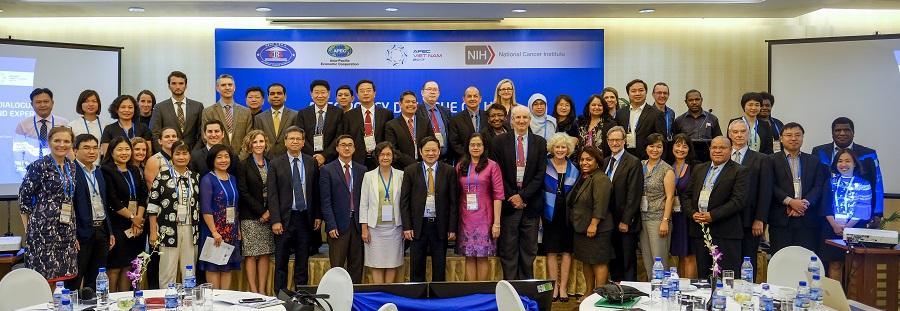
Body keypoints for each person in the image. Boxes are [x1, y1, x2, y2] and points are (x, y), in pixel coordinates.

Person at [490, 105, 547, 280]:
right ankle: (511, 288)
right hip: (508, 205)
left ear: (530, 120)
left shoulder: (540, 142)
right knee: (508, 249)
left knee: (529, 250)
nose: (521, 121)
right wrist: (512, 196)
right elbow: (497, 173)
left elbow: (540, 173)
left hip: (530, 204)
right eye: (517, 118)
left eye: (525, 118)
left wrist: (523, 196)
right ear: (511, 120)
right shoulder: (499, 142)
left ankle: (526, 288)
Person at [18, 126, 77, 280]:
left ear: (71, 144)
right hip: (42, 231)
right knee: (44, 278)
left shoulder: (71, 166)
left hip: (66, 229)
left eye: (66, 141)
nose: (62, 144)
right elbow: (23, 199)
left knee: (62, 279)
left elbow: (69, 197)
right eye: (57, 140)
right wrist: (28, 231)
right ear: (49, 142)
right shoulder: (39, 166)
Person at [683, 136, 747, 279]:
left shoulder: (740, 171)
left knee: (726, 279)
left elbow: (738, 201)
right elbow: (686, 196)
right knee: (704, 277)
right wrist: (692, 213)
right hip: (700, 232)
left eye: (722, 148)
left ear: (730, 150)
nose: (717, 151)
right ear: (710, 149)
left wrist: (713, 215)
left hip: (725, 233)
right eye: (714, 147)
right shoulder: (699, 168)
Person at [269, 127, 322, 290]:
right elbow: (272, 194)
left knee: (302, 261)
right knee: (281, 261)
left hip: (305, 218)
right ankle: (280, 295)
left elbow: (316, 190)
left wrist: (318, 216)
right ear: (285, 142)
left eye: (298, 139)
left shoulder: (310, 161)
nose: (295, 141)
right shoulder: (275, 163)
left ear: (303, 142)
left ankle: (302, 297)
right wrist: (276, 220)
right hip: (285, 219)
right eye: (291, 138)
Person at [400, 136, 459, 282]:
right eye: (427, 150)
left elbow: (453, 202)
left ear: (439, 152)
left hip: (440, 226)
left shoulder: (449, 171)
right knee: (416, 267)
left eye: (434, 150)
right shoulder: (410, 171)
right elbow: (404, 201)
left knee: (439, 267)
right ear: (420, 152)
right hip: (417, 226)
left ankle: (438, 300)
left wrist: (452, 228)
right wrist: (407, 226)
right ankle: (417, 300)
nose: (430, 153)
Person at [147, 140, 200, 289]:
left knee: (189, 269)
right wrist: (153, 232)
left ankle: (188, 302)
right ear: (171, 155)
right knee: (167, 269)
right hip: (168, 229)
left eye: (184, 153)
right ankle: (167, 300)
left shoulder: (196, 177)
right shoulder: (162, 177)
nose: (181, 157)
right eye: (177, 153)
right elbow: (152, 206)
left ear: (190, 156)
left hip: (191, 228)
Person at [769, 122, 828, 254]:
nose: (793, 138)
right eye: (789, 135)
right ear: (781, 138)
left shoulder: (814, 160)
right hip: (781, 219)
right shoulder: (770, 160)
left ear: (802, 137)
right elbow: (770, 186)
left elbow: (818, 186)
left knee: (806, 260)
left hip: (807, 219)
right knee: (781, 260)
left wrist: (804, 204)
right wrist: (790, 202)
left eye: (797, 135)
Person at [812, 117, 883, 221]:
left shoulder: (868, 154)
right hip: (825, 214)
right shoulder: (819, 151)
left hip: (857, 216)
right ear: (832, 133)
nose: (842, 133)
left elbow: (877, 183)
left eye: (846, 130)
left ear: (853, 133)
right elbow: (814, 182)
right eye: (837, 130)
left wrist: (877, 213)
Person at [101, 136, 148, 291]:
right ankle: (111, 301)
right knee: (115, 267)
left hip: (135, 224)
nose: (124, 153)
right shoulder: (106, 170)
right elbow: (113, 200)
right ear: (112, 151)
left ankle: (125, 301)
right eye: (120, 149)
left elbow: (142, 195)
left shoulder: (134, 169)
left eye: (127, 149)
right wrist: (134, 218)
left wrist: (138, 219)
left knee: (129, 265)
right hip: (117, 224)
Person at [67, 134, 114, 290]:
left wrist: (110, 231)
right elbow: (69, 205)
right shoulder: (70, 172)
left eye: (95, 147)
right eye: (86, 148)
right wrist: (72, 235)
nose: (91, 151)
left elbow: (104, 202)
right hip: (81, 233)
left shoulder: (98, 171)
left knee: (96, 279)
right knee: (75, 278)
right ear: (74, 150)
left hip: (101, 230)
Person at [455, 134, 504, 281]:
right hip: (465, 217)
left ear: (484, 147)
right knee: (469, 256)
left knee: (483, 256)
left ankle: (481, 291)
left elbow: (498, 195)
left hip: (485, 218)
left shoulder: (492, 166)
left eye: (479, 145)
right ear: (468, 147)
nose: (475, 148)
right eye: (472, 145)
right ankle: (471, 291)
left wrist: (497, 223)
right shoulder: (460, 166)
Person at [726, 119, 773, 274]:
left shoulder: (761, 159)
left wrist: (760, 219)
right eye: (735, 132)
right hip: (725, 220)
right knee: (727, 263)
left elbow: (765, 191)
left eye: (743, 131)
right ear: (729, 134)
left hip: (750, 220)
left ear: (749, 134)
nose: (739, 135)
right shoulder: (722, 157)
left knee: (747, 263)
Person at [320, 134, 366, 283]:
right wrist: (331, 224)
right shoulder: (327, 170)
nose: (347, 148)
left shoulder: (362, 170)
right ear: (337, 148)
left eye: (350, 145)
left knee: (356, 266)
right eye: (343, 145)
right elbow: (325, 201)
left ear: (354, 148)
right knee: (337, 268)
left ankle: (355, 300)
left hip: (358, 225)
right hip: (338, 226)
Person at [569, 146, 614, 297]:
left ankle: (599, 294)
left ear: (597, 161)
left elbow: (600, 204)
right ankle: (589, 291)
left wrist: (594, 224)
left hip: (597, 229)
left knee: (599, 262)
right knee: (586, 261)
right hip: (582, 228)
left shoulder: (601, 178)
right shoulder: (583, 177)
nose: (584, 163)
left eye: (589, 159)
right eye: (582, 159)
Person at [822, 149, 872, 280]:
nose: (843, 164)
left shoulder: (864, 184)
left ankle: (851, 299)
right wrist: (835, 225)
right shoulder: (830, 182)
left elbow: (863, 209)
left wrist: (847, 228)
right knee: (835, 264)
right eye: (840, 161)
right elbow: (825, 205)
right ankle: (835, 299)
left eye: (847, 161)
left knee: (853, 266)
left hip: (854, 229)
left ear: (855, 163)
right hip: (832, 229)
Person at [359, 142, 404, 284]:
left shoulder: (401, 175)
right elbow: (363, 203)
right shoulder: (368, 176)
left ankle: (388, 291)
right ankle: (379, 293)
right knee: (376, 263)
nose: (385, 157)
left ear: (393, 156)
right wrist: (364, 228)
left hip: (395, 227)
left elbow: (405, 204)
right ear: (377, 157)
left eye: (388, 154)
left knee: (392, 262)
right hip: (374, 228)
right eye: (382, 154)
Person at [236, 130, 275, 294]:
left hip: (269, 216)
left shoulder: (271, 163)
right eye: (255, 142)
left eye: (261, 141)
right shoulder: (243, 164)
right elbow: (243, 192)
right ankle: (253, 291)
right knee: (251, 254)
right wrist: (262, 212)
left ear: (265, 143)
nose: (259, 145)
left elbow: (276, 190)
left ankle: (262, 291)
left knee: (265, 254)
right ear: (249, 145)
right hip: (250, 216)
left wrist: (270, 211)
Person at [198, 144, 242, 289]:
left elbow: (235, 206)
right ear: (212, 160)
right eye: (219, 157)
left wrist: (238, 228)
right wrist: (214, 231)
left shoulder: (233, 178)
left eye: (226, 156)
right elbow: (206, 209)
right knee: (213, 267)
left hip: (231, 230)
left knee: (227, 267)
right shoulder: (207, 179)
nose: (224, 160)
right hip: (214, 232)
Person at [541, 133, 579, 301]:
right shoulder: (544, 166)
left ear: (568, 149)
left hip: (568, 216)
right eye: (557, 147)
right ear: (552, 148)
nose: (560, 150)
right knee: (551, 251)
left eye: (563, 147)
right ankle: (554, 287)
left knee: (566, 251)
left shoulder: (575, 168)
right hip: (549, 214)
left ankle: (563, 287)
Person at [603, 126, 643, 282]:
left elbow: (634, 194)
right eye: (611, 140)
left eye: (618, 140)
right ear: (607, 142)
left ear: (624, 142)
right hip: (608, 221)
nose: (614, 143)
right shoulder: (605, 161)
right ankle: (616, 291)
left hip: (625, 221)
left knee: (627, 260)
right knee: (614, 259)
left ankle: (629, 294)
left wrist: (626, 220)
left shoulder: (633, 162)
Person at [638, 133, 675, 276]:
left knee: (659, 260)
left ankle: (663, 292)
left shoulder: (667, 169)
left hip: (658, 219)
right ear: (646, 148)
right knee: (647, 259)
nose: (655, 150)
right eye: (651, 146)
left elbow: (670, 197)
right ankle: (651, 289)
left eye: (659, 146)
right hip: (642, 218)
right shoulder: (640, 165)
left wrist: (665, 221)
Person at [341, 80, 394, 170]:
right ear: (357, 95)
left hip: (380, 159)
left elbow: (389, 139)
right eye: (362, 91)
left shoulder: (386, 114)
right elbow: (346, 137)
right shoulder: (349, 116)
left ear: (374, 93)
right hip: (357, 160)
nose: (365, 93)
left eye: (368, 90)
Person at [150, 71, 204, 150]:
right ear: (169, 86)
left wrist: (195, 153)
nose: (178, 86)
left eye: (181, 83)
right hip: (168, 153)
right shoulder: (159, 107)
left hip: (192, 153)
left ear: (186, 86)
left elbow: (202, 133)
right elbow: (155, 134)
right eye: (174, 83)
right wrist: (164, 154)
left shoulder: (198, 106)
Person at [669, 134, 697, 279]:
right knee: (679, 254)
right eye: (678, 145)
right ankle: (679, 287)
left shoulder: (694, 167)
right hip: (672, 215)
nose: (680, 149)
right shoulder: (668, 165)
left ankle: (689, 289)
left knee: (689, 255)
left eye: (685, 146)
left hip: (688, 217)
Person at [203, 74, 252, 157]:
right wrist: (219, 157)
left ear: (234, 87)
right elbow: (206, 138)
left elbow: (249, 138)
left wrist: (241, 159)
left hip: (242, 161)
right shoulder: (208, 112)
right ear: (217, 88)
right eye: (223, 85)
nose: (227, 87)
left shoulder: (246, 112)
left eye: (230, 85)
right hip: (217, 160)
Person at [615, 79, 665, 160]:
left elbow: (662, 141)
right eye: (633, 91)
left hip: (647, 159)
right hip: (624, 158)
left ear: (646, 92)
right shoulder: (620, 113)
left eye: (641, 90)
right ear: (628, 93)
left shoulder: (656, 114)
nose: (637, 93)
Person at [298, 80, 344, 166]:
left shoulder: (338, 113)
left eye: (323, 92)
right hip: (308, 159)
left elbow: (338, 137)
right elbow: (301, 136)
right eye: (316, 93)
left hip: (331, 160)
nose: (320, 96)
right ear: (311, 94)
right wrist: (314, 157)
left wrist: (324, 156)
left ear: (329, 94)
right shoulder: (303, 113)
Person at [15, 88, 70, 159]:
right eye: (38, 102)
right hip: (32, 167)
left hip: (58, 166)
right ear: (32, 104)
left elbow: (69, 148)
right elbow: (18, 151)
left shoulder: (64, 123)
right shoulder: (23, 124)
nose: (42, 105)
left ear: (52, 103)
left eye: (46, 101)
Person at [385, 91, 434, 169]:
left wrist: (423, 162)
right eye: (407, 102)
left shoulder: (425, 122)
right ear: (400, 104)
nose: (411, 104)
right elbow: (393, 149)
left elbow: (431, 142)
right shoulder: (392, 125)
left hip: (424, 166)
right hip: (402, 167)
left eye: (413, 102)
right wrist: (413, 163)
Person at [673, 89, 722, 163]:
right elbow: (675, 143)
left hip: (708, 160)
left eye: (697, 99)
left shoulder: (712, 118)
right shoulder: (679, 120)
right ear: (686, 102)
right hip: (686, 160)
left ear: (701, 100)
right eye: (691, 100)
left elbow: (719, 140)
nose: (694, 102)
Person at [253, 83, 299, 158]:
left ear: (285, 97)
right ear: (268, 97)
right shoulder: (259, 118)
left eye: (279, 93)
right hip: (266, 160)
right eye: (272, 94)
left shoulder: (295, 115)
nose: (276, 96)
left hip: (289, 159)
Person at [449, 86, 488, 160]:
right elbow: (454, 143)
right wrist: (471, 156)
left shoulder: (487, 116)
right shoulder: (456, 119)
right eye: (469, 96)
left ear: (480, 99)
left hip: (486, 160)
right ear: (464, 99)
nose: (472, 99)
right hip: (464, 161)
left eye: (475, 96)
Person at [418, 81, 453, 162]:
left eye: (435, 89)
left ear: (439, 93)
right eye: (429, 89)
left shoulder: (445, 111)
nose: (432, 92)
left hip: (445, 159)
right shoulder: (416, 111)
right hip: (424, 159)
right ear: (422, 92)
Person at [577, 94, 617, 158]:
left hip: (602, 163)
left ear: (604, 107)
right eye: (593, 105)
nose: (596, 107)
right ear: (588, 107)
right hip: (582, 163)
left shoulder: (610, 124)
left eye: (600, 105)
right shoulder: (581, 123)